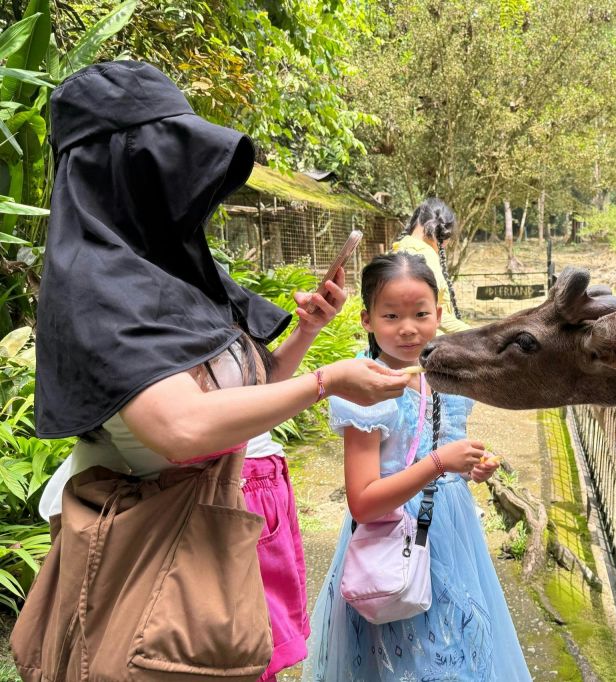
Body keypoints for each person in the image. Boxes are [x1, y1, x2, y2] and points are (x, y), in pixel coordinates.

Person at [30, 60, 408, 680]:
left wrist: (306, 332)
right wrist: (327, 382)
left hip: (229, 528)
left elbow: (249, 394)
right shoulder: (96, 288)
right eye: (169, 166)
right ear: (124, 173)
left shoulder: (171, 268)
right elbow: (182, 426)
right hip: (166, 554)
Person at [304, 252, 531, 681]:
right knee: (401, 655)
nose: (408, 327)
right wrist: (439, 463)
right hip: (392, 537)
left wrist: (468, 468)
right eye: (391, 315)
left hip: (451, 531)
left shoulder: (449, 375)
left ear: (439, 314)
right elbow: (364, 503)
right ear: (366, 319)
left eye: (420, 313)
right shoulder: (365, 388)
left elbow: (441, 449)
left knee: (454, 649)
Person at [392, 197, 471, 334]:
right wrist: (476, 334)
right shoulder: (422, 254)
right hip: (431, 346)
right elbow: (428, 311)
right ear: (442, 231)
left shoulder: (400, 248)